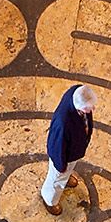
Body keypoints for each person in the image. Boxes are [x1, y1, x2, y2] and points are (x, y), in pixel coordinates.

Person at [42, 83, 97, 215]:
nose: (92, 110)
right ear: (79, 106)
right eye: (88, 109)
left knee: (64, 174)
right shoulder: (63, 123)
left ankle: (65, 178)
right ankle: (49, 200)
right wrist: (61, 167)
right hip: (62, 158)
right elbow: (57, 148)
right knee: (56, 179)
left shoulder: (77, 93)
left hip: (73, 151)